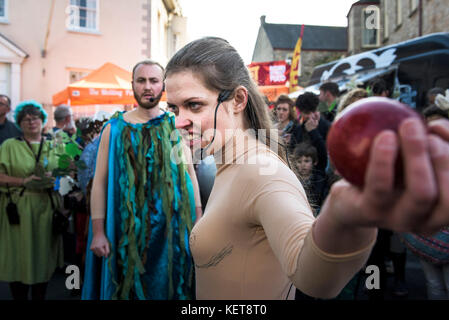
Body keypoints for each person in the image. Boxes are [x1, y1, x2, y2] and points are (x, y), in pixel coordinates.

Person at [164, 36, 449, 300]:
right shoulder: (229, 163)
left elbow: (310, 272)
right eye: (175, 109)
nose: (178, 121)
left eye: (194, 105)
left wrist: (345, 216)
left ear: (238, 100)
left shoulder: (261, 171)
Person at [82, 60, 202, 300]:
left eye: (154, 81)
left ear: (162, 86)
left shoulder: (176, 125)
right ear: (133, 85)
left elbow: (189, 173)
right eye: (142, 80)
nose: (148, 86)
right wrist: (98, 232)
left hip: (173, 230)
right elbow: (100, 182)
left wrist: (199, 220)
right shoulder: (113, 128)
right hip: (127, 230)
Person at [0, 100, 63, 300]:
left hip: (46, 209)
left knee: (42, 259)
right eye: (25, 119)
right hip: (19, 210)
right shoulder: (9, 146)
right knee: (18, 257)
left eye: (35, 117)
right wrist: (23, 180)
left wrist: (59, 179)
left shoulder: (55, 144)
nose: (31, 122)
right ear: (19, 123)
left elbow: (69, 172)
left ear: (42, 120)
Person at [291, 142, 328, 217]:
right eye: (299, 162)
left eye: (306, 161)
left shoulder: (320, 180)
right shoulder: (293, 179)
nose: (303, 165)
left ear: (315, 162)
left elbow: (320, 199)